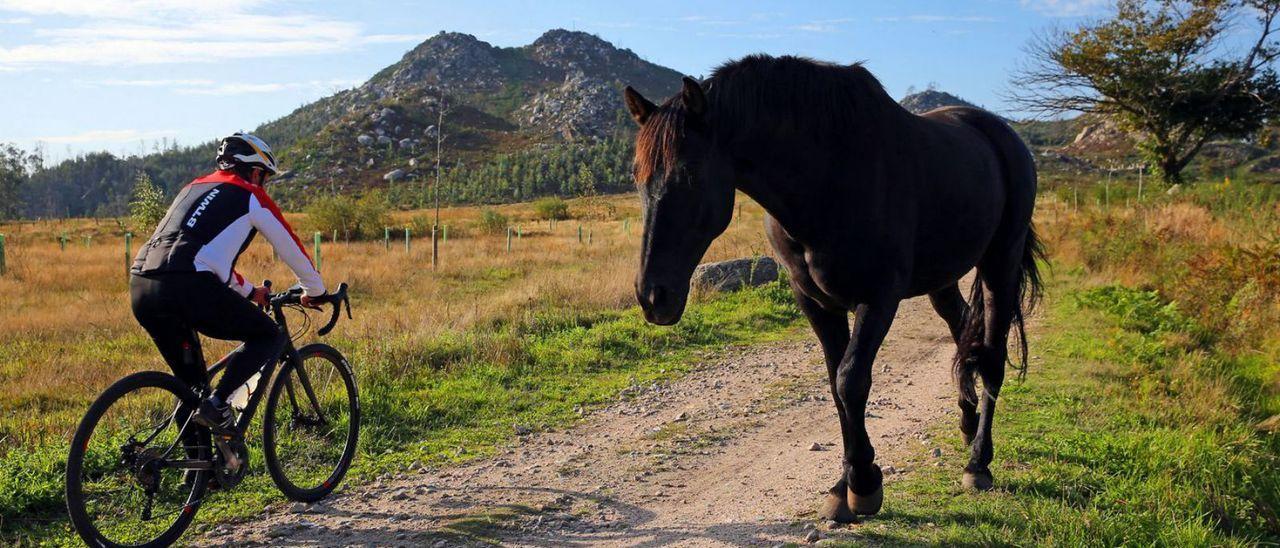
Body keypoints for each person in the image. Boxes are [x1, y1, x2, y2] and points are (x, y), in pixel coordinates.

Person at [130, 132, 325, 433]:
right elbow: (290, 245)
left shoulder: (192, 188)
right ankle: (220, 403)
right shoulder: (250, 194)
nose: (265, 184)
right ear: (256, 172)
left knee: (193, 389)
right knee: (268, 337)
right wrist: (316, 290)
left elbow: (199, 254)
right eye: (265, 178)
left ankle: (199, 476)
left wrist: (250, 292)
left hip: (143, 285)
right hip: (187, 285)